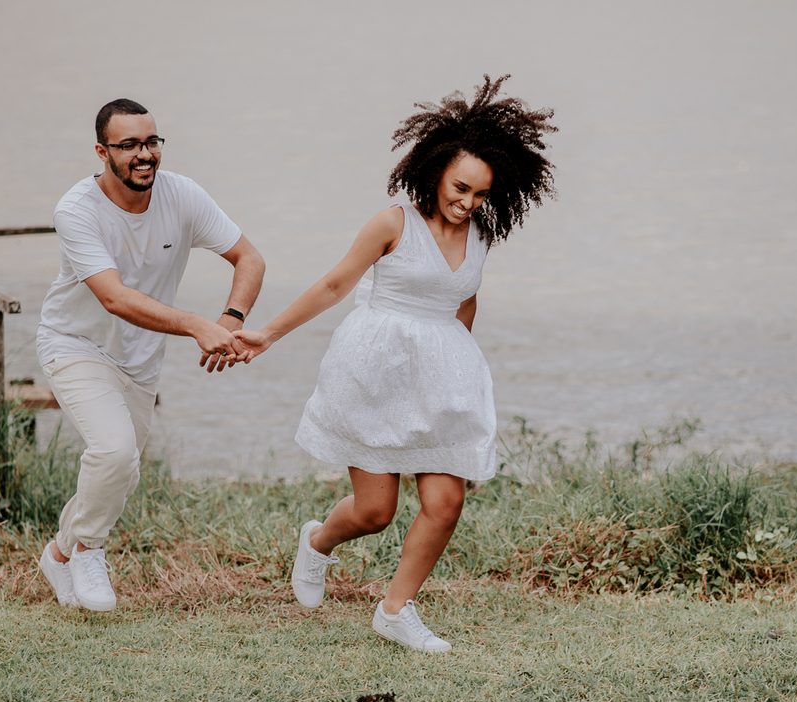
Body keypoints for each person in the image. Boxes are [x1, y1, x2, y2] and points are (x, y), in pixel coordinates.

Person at [234, 75, 555, 652]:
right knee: (376, 511)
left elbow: (465, 300)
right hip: (375, 372)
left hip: (441, 380)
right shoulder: (393, 224)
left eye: (480, 195)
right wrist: (267, 335)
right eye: (460, 188)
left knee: (446, 502)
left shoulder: (480, 235)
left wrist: (459, 375)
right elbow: (335, 285)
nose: (467, 203)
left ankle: (395, 610)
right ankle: (317, 544)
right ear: (435, 171)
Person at [36, 98, 265, 612]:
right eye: (129, 145)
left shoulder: (182, 195)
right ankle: (89, 551)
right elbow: (114, 299)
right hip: (75, 344)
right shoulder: (76, 209)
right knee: (114, 452)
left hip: (139, 360)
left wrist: (230, 321)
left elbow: (249, 257)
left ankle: (58, 552)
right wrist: (195, 325)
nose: (144, 154)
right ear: (102, 152)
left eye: (151, 142)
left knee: (121, 468)